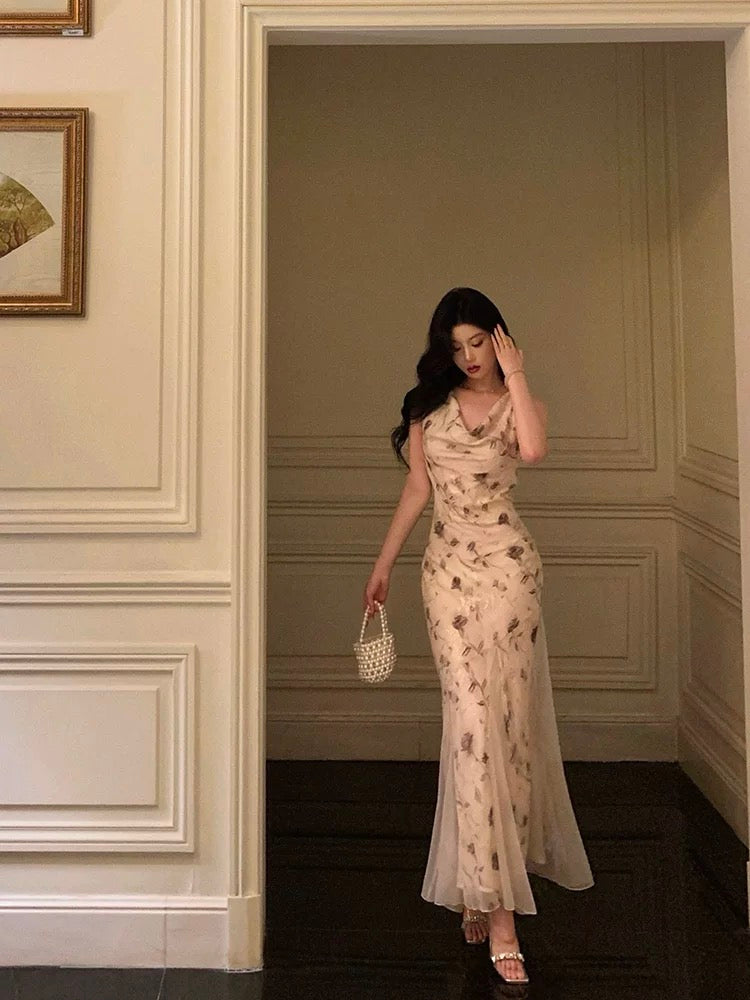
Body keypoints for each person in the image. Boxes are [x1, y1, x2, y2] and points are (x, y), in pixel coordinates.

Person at [363, 287, 594, 985]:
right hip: (448, 579)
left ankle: (493, 895)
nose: (467, 358)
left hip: (510, 575)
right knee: (470, 729)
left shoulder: (522, 402)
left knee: (508, 731)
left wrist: (516, 373)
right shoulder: (426, 411)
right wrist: (382, 566)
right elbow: (418, 490)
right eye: (455, 346)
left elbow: (535, 448)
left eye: (478, 343)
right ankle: (491, 902)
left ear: (498, 340)